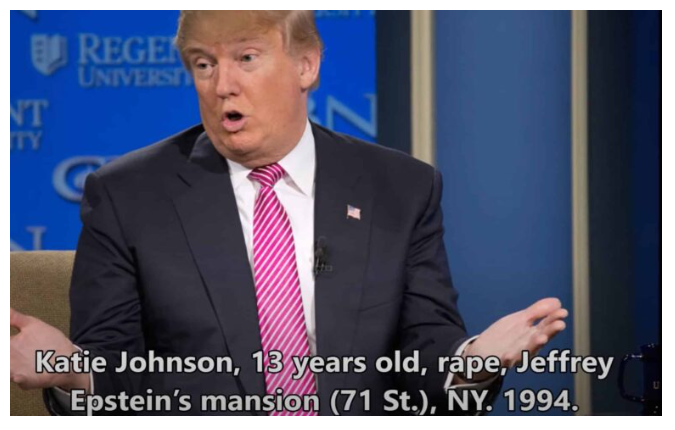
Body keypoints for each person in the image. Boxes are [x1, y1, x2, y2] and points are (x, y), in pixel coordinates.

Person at [10, 11, 568, 415]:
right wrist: (75, 372)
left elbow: (423, 359)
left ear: (306, 64)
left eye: (246, 58)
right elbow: (117, 374)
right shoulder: (128, 195)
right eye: (204, 64)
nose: (222, 85)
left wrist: (473, 361)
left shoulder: (400, 189)